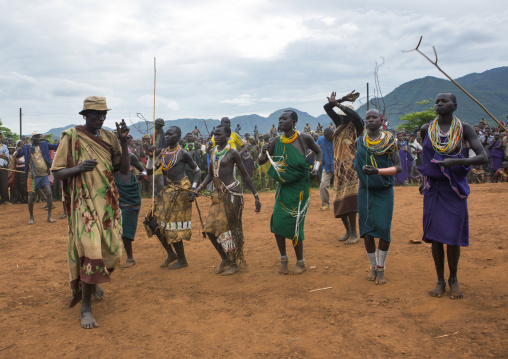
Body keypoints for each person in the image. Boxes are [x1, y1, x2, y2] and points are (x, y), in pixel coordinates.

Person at [51, 96, 130, 329]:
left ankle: (93, 283)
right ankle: (85, 308)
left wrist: (124, 143)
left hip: (108, 203)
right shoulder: (71, 137)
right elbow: (56, 172)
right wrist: (79, 168)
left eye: (104, 113)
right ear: (85, 115)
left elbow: (123, 171)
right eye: (96, 114)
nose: (101, 117)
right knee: (92, 251)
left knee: (113, 253)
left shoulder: (110, 138)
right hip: (82, 204)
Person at [419, 93, 487, 299]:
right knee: (436, 237)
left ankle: (453, 279)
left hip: (454, 189)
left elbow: (482, 157)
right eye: (437, 101)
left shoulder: (464, 129)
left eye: (444, 101)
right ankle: (440, 280)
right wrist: (424, 181)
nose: (439, 103)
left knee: (453, 236)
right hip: (434, 189)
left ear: (454, 106)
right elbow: (426, 157)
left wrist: (455, 162)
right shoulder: (426, 129)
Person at [258, 110, 322, 275]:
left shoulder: (304, 138)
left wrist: (315, 167)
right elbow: (262, 162)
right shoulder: (275, 141)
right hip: (284, 188)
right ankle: (283, 258)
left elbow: (319, 152)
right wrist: (262, 153)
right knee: (277, 222)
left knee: (295, 224)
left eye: (283, 119)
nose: (280, 121)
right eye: (279, 119)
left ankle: (300, 261)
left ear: (294, 121)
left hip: (300, 189)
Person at [195, 125, 261, 276]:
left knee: (227, 228)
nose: (215, 137)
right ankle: (225, 259)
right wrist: (200, 187)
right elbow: (210, 175)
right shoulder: (213, 151)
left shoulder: (233, 153)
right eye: (214, 134)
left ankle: (233, 263)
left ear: (227, 136)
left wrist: (256, 196)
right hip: (218, 195)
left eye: (219, 134)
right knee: (210, 229)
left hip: (232, 194)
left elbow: (245, 175)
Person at [354, 109, 401, 285]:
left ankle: (381, 268)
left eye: (374, 117)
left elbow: (399, 167)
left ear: (381, 121)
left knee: (383, 229)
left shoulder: (389, 142)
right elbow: (356, 163)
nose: (371, 120)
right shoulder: (360, 141)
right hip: (365, 190)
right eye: (368, 118)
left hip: (384, 190)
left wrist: (377, 171)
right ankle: (373, 267)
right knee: (367, 231)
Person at [144, 127, 201, 269]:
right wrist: (151, 157)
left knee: (172, 225)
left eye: (170, 134)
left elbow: (198, 171)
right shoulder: (162, 153)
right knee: (151, 221)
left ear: (178, 136)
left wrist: (193, 189)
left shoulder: (183, 153)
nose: (167, 136)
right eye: (166, 134)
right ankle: (171, 254)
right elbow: (151, 171)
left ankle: (182, 259)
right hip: (169, 190)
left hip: (181, 191)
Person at [323, 91, 364, 244]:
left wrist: (339, 104)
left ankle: (354, 233)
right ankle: (348, 231)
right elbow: (327, 107)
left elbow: (354, 116)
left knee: (351, 201)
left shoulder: (357, 124)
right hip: (339, 167)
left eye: (344, 114)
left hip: (352, 167)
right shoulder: (340, 122)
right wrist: (341, 99)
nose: (343, 117)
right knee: (339, 201)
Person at [15, 132, 59, 223]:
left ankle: (49, 216)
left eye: (39, 137)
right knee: (31, 197)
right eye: (37, 137)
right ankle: (31, 218)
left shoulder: (44, 144)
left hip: (44, 175)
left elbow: (55, 147)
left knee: (49, 193)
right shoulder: (26, 148)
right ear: (32, 139)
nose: (39, 139)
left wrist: (65, 141)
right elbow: (18, 155)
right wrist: (18, 150)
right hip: (33, 176)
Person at [115, 148, 145, 268]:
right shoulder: (111, 157)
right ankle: (114, 257)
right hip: (116, 194)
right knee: (113, 227)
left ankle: (130, 258)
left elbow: (144, 171)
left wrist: (141, 175)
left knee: (126, 227)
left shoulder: (131, 156)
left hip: (130, 195)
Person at [316, 128, 334, 211]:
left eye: (330, 137)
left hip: (338, 166)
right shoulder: (320, 140)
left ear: (333, 134)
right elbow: (315, 147)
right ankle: (325, 204)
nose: (328, 139)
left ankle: (342, 204)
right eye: (327, 138)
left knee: (340, 186)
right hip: (326, 166)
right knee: (323, 185)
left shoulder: (337, 139)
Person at [151, 118, 167, 195]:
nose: (154, 125)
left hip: (161, 158)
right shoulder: (154, 134)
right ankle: (156, 194)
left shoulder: (165, 135)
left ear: (160, 125)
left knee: (158, 177)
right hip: (154, 157)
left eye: (156, 124)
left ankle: (162, 194)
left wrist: (159, 150)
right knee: (153, 177)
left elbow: (167, 147)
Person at [0, 133, 9, 204]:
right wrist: (1, 155)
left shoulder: (4, 146)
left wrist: (4, 156)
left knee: (4, 184)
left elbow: (7, 157)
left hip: (3, 167)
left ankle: (4, 200)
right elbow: (3, 156)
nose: (0, 138)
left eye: (1, 137)